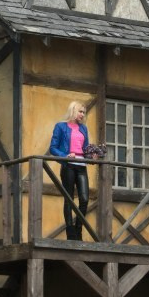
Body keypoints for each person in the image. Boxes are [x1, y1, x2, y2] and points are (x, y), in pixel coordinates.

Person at [48, 101, 92, 240]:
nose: (82, 114)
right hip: (68, 165)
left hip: (81, 165)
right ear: (73, 110)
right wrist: (65, 156)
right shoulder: (61, 126)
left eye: (84, 112)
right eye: (80, 111)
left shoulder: (83, 128)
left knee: (84, 199)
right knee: (69, 199)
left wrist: (92, 154)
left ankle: (78, 230)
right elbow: (53, 148)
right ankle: (70, 233)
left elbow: (85, 149)